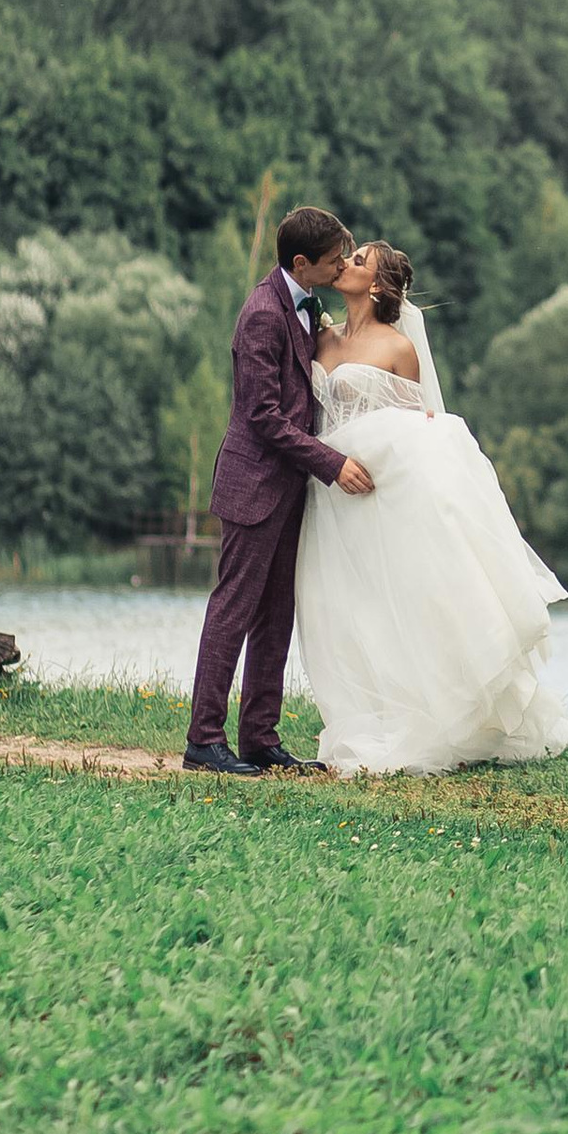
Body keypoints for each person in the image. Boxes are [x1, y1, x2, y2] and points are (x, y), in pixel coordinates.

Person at [295, 238, 568, 774]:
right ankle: (363, 710)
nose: (346, 262)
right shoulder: (319, 337)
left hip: (378, 494)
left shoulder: (398, 348)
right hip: (330, 495)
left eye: (358, 260)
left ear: (375, 285)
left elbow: (416, 432)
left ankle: (426, 713)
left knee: (401, 601)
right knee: (344, 606)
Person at [182, 206, 372, 777]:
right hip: (253, 484)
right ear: (301, 263)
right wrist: (332, 463)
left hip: (288, 488)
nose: (341, 265)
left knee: (276, 614)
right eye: (335, 259)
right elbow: (262, 417)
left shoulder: (304, 303)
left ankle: (260, 738)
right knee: (233, 609)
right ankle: (204, 741)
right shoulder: (263, 315)